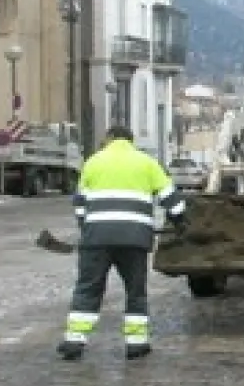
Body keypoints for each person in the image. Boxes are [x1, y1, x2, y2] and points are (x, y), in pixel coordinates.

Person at [57, 126, 188, 361]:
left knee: (88, 288)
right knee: (135, 291)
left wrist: (86, 227)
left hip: (96, 239)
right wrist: (179, 221)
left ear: (109, 139)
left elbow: (79, 203)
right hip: (134, 239)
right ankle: (136, 344)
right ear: (131, 141)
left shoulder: (93, 162)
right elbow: (171, 199)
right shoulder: (146, 163)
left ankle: (74, 341)